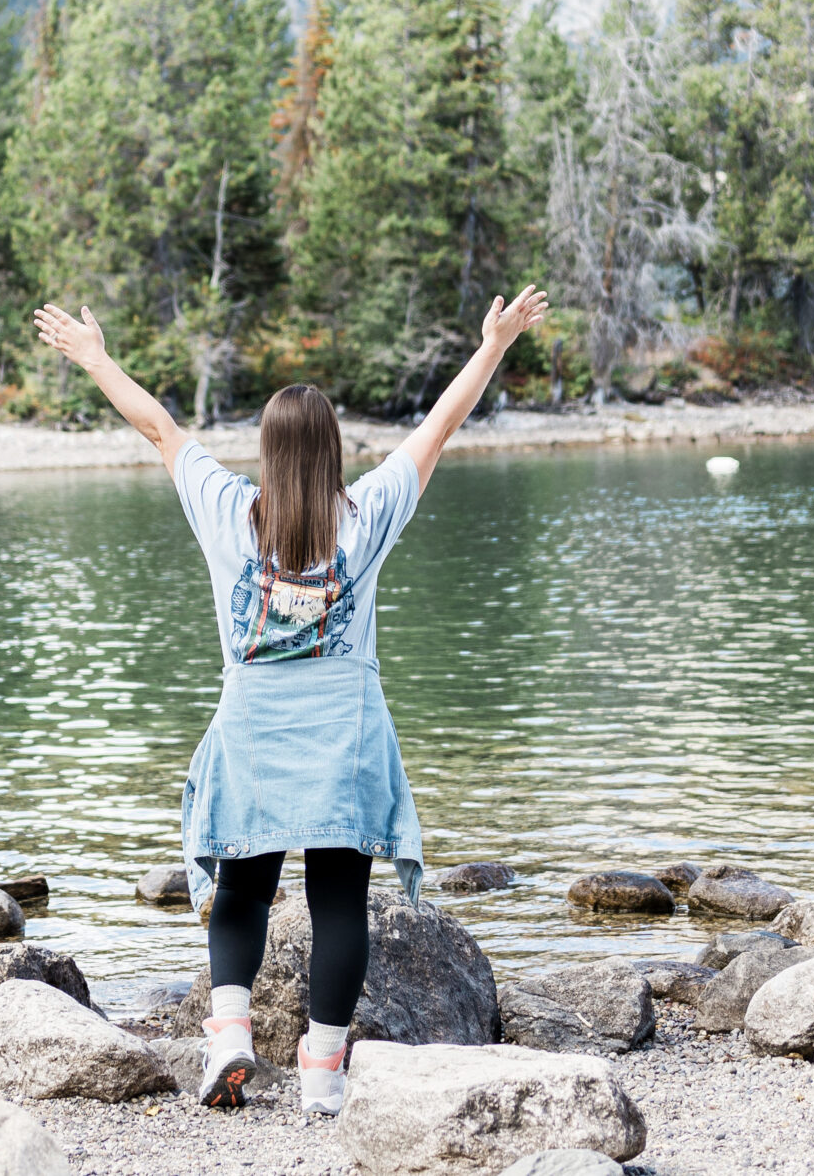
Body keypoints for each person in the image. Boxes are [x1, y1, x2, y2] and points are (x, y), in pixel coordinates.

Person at [32, 284, 551, 1116]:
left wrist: (95, 358)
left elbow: (159, 426)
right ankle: (322, 1073)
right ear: (334, 451)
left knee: (242, 889)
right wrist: (492, 345)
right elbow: (439, 427)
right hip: (343, 729)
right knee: (338, 899)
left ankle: (231, 1038)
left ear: (269, 454)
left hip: (255, 726)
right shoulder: (366, 515)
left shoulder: (229, 514)